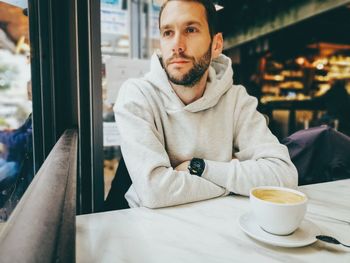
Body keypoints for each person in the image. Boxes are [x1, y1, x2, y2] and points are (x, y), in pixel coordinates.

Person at [109, 0, 297, 209]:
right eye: (168, 32)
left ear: (216, 45)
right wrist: (235, 179)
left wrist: (198, 168)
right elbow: (155, 192)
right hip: (150, 230)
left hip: (218, 224)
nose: (177, 45)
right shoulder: (138, 95)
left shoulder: (236, 100)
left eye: (190, 30)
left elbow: (283, 175)